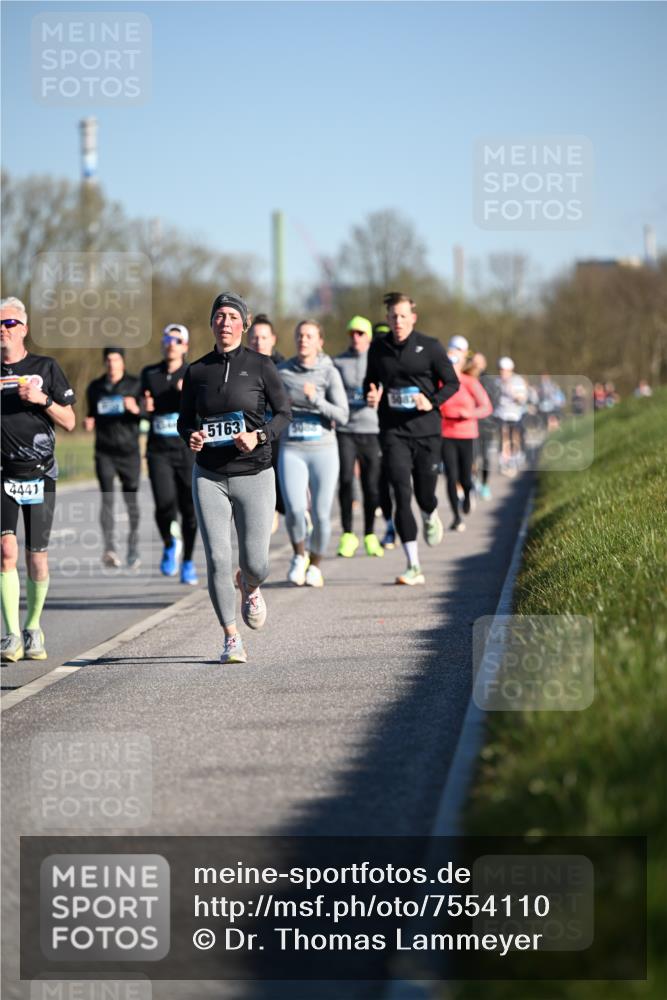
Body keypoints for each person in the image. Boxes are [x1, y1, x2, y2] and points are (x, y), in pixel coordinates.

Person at [178, 293, 291, 664]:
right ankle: (231, 636)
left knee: (256, 562)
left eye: (232, 317)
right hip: (209, 475)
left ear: (244, 324)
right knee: (216, 557)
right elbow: (185, 421)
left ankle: (251, 586)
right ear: (212, 324)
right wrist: (191, 436)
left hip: (255, 473)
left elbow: (283, 414)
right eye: (219, 316)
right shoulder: (196, 371)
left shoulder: (261, 366)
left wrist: (258, 436)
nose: (225, 322)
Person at [364, 292, 459, 586]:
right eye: (393, 316)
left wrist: (431, 401)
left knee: (424, 495)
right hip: (393, 431)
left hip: (427, 431)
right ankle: (413, 565)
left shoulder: (429, 347)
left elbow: (452, 383)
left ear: (413, 318)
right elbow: (371, 379)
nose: (398, 321)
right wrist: (370, 392)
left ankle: (430, 513)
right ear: (388, 319)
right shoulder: (378, 348)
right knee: (400, 492)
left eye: (403, 316)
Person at [1, 296, 76, 662]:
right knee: (5, 551)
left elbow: (70, 421)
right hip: (3, 474)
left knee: (37, 557)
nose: (3, 329)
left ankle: (33, 628)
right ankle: (11, 634)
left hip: (41, 472)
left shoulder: (45, 367)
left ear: (24, 329)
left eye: (9, 323)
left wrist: (42, 399)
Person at [277, 319, 349, 587]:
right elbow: (267, 408)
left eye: (309, 336)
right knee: (295, 510)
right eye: (299, 335)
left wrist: (316, 399)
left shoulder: (330, 373)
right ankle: (298, 555)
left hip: (323, 450)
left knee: (320, 514)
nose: (303, 340)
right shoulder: (282, 372)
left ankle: (316, 565)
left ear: (320, 342)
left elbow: (342, 415)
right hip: (292, 448)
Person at [141, 324, 198, 585]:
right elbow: (141, 408)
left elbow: (205, 410)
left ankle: (187, 560)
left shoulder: (194, 373)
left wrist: (189, 394)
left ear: (185, 346)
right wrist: (143, 407)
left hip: (187, 450)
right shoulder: (149, 373)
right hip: (158, 450)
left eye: (177, 339)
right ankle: (169, 543)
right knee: (164, 504)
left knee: (190, 510)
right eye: (167, 338)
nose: (171, 343)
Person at [85, 347, 143, 567]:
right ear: (105, 363)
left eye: (115, 360)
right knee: (107, 499)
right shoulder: (95, 387)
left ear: (122, 362)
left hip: (129, 452)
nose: (111, 364)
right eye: (108, 360)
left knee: (131, 501)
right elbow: (91, 414)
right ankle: (109, 548)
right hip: (104, 452)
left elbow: (148, 412)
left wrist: (136, 409)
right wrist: (88, 422)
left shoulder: (135, 384)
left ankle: (133, 546)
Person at [333, 316, 384, 558]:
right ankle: (347, 535)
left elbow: (389, 385)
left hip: (371, 430)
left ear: (369, 337)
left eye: (361, 333)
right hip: (345, 430)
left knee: (371, 485)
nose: (356, 337)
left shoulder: (379, 361)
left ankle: (370, 535)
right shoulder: (338, 362)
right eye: (352, 333)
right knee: (345, 480)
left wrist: (379, 397)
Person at [440, 337, 492, 531]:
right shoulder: (441, 382)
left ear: (463, 361)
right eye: (450, 360)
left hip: (467, 434)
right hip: (446, 434)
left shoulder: (469, 382)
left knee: (465, 477)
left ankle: (468, 494)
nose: (453, 364)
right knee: (450, 476)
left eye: (457, 359)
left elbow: (486, 407)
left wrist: (468, 414)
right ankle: (456, 517)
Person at [247, 314, 286, 532]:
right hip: (251, 434)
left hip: (277, 433)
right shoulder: (241, 365)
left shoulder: (285, 367)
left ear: (273, 339)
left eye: (263, 337)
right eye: (254, 337)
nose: (258, 342)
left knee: (279, 481)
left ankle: (282, 509)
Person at [470, 352, 498, 500]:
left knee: (486, 457)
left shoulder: (490, 381)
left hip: (486, 425)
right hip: (471, 424)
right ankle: (474, 483)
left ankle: (485, 484)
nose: (476, 365)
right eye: (474, 362)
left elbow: (494, 401)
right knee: (472, 458)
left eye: (478, 362)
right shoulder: (467, 378)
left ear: (484, 364)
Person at [494, 356, 527, 477]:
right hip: (500, 414)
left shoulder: (518, 381)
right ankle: (504, 461)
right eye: (500, 370)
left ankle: (513, 461)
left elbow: (522, 399)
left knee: (514, 438)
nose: (502, 373)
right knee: (503, 436)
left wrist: (512, 392)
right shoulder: (497, 381)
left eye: (504, 370)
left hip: (515, 415)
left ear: (510, 370)